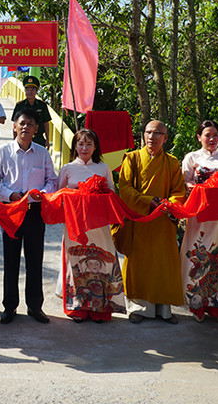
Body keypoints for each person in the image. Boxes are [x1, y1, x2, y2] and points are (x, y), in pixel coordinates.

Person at [0, 109, 58, 324]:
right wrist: (10, 194)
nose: (26, 127)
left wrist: (42, 194)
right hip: (11, 211)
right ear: (14, 126)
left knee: (35, 259)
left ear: (37, 129)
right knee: (10, 259)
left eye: (30, 124)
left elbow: (52, 181)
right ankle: (10, 306)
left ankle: (35, 307)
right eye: (22, 123)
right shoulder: (2, 152)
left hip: (35, 212)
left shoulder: (42, 153)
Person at [118, 120, 186, 325]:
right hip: (139, 219)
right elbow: (125, 188)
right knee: (138, 263)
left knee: (163, 264)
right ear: (143, 135)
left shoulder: (173, 162)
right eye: (148, 132)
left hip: (162, 221)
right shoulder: (131, 158)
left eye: (158, 133)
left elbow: (178, 191)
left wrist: (169, 205)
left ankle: (164, 310)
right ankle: (137, 307)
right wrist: (148, 202)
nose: (152, 137)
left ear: (165, 138)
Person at [56, 128, 125, 323]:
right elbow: (60, 194)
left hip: (99, 224)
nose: (84, 148)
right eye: (81, 144)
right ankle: (77, 306)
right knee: (76, 260)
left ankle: (99, 307)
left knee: (102, 261)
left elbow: (111, 192)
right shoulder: (67, 168)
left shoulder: (103, 168)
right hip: (75, 223)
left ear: (95, 147)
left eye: (89, 144)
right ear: (75, 146)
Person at [179, 120, 218, 324]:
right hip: (199, 214)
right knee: (197, 253)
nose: (212, 139)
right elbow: (185, 183)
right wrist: (199, 188)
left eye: (215, 135)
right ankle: (197, 305)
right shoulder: (191, 158)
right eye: (207, 135)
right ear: (199, 137)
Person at [11, 76, 51, 148]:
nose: (30, 92)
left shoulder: (42, 105)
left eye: (32, 89)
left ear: (36, 91)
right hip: (23, 138)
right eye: (27, 89)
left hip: (38, 139)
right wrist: (15, 140)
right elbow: (15, 124)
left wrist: (48, 139)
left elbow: (46, 123)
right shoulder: (19, 106)